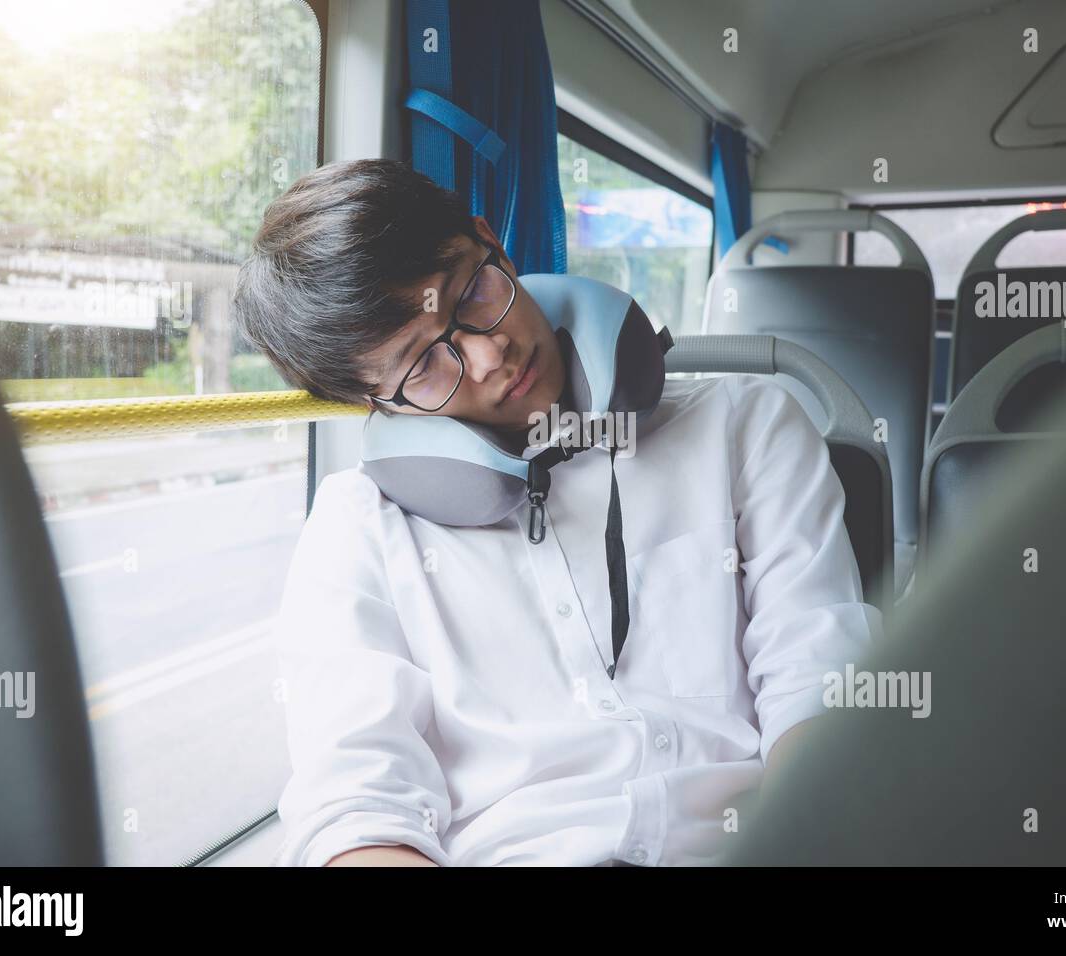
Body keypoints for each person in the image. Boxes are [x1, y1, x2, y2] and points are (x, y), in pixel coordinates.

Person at [232, 158, 881, 866]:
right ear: (371, 401)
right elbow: (356, 807)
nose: (488, 357)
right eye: (422, 365)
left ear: (492, 240)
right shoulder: (357, 529)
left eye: (471, 292)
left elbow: (816, 681)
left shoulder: (745, 424)